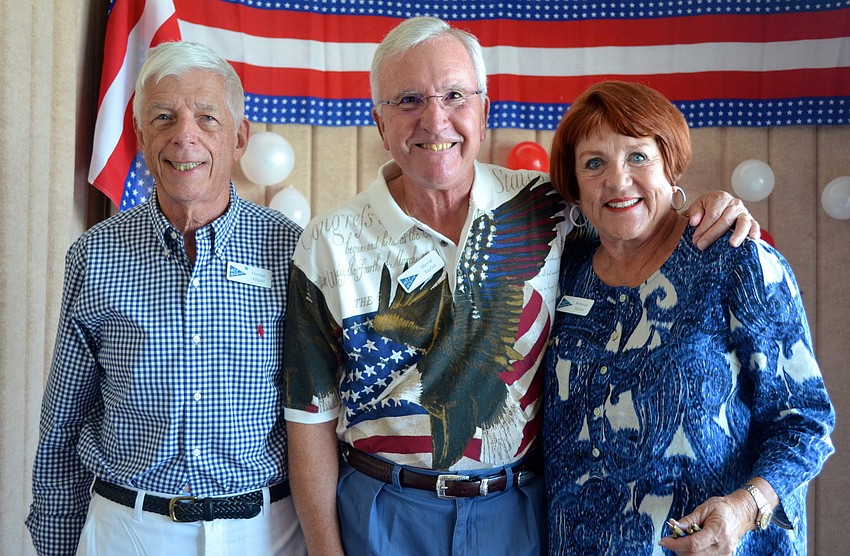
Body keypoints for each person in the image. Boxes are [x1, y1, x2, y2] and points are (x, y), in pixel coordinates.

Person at [282, 17, 760, 556]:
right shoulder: (329, 241)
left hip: (518, 513)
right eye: (409, 100)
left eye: (455, 95)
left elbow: (631, 212)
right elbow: (308, 420)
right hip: (383, 512)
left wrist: (706, 206)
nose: (435, 120)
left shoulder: (551, 207)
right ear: (379, 121)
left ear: (484, 110)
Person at [26, 41, 306, 556]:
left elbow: (318, 414)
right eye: (163, 117)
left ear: (239, 137)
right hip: (129, 532)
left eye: (206, 117)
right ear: (140, 134)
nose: (185, 136)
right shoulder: (95, 255)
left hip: (268, 532)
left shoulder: (292, 250)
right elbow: (62, 420)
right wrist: (55, 539)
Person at [543, 80, 835, 555]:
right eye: (594, 163)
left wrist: (745, 509)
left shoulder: (735, 261)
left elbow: (805, 420)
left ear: (670, 165)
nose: (618, 181)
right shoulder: (562, 271)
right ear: (575, 188)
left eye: (638, 156)